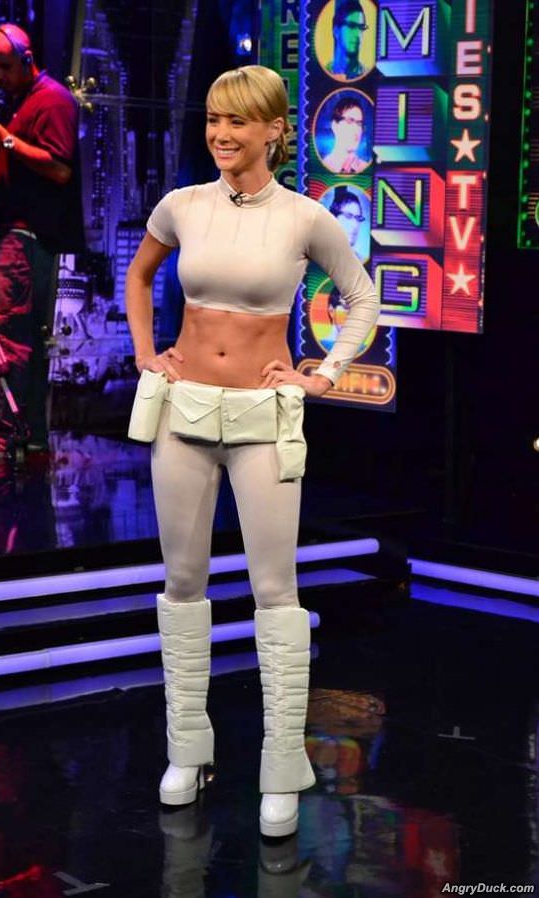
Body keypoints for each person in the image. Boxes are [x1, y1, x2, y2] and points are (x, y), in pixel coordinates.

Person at [125, 65, 379, 838]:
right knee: (182, 581)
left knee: (275, 589)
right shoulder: (182, 205)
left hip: (265, 416)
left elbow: (362, 297)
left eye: (237, 121)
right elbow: (140, 276)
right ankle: (187, 750)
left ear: (274, 129)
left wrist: (324, 373)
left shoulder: (304, 217)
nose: (221, 134)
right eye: (213, 119)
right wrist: (147, 355)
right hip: (184, 411)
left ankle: (281, 765)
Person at [0, 23, 83, 461]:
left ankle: (0, 433)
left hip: (24, 235)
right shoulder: (21, 101)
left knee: (5, 333)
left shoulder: (52, 99)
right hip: (13, 234)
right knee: (19, 335)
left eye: (5, 67)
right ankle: (28, 434)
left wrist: (7, 140)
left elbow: (60, 168)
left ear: (26, 59)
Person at [322, 96, 369, 173]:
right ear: (335, 126)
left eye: (359, 124)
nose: (356, 129)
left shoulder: (366, 168)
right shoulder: (322, 167)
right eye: (350, 121)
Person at [328, 0, 368, 80]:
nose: (358, 34)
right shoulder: (321, 73)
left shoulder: (368, 75)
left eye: (361, 27)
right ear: (336, 31)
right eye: (351, 26)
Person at [329, 185, 366, 260]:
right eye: (348, 216)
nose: (355, 225)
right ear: (334, 218)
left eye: (358, 218)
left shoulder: (361, 261)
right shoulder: (317, 257)